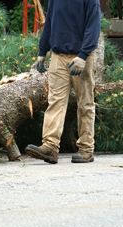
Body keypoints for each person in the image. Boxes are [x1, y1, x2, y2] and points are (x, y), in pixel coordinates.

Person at [25, 0, 101, 164]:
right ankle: (50, 147)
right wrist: (42, 51)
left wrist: (83, 56)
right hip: (58, 56)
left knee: (85, 103)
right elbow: (50, 21)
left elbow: (93, 27)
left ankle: (86, 150)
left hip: (81, 58)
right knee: (55, 101)